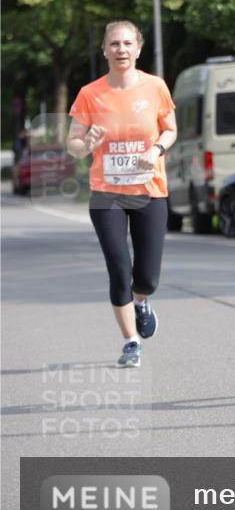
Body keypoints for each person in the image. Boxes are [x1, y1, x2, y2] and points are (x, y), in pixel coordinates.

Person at [67, 21, 177, 368]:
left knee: (147, 277)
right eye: (114, 44)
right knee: (119, 270)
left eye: (128, 43)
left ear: (138, 49)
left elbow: (171, 129)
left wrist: (157, 149)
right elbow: (72, 147)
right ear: (105, 50)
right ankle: (130, 341)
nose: (121, 49)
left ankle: (142, 301)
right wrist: (87, 143)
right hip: (106, 194)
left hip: (149, 190)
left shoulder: (155, 87)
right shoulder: (90, 93)